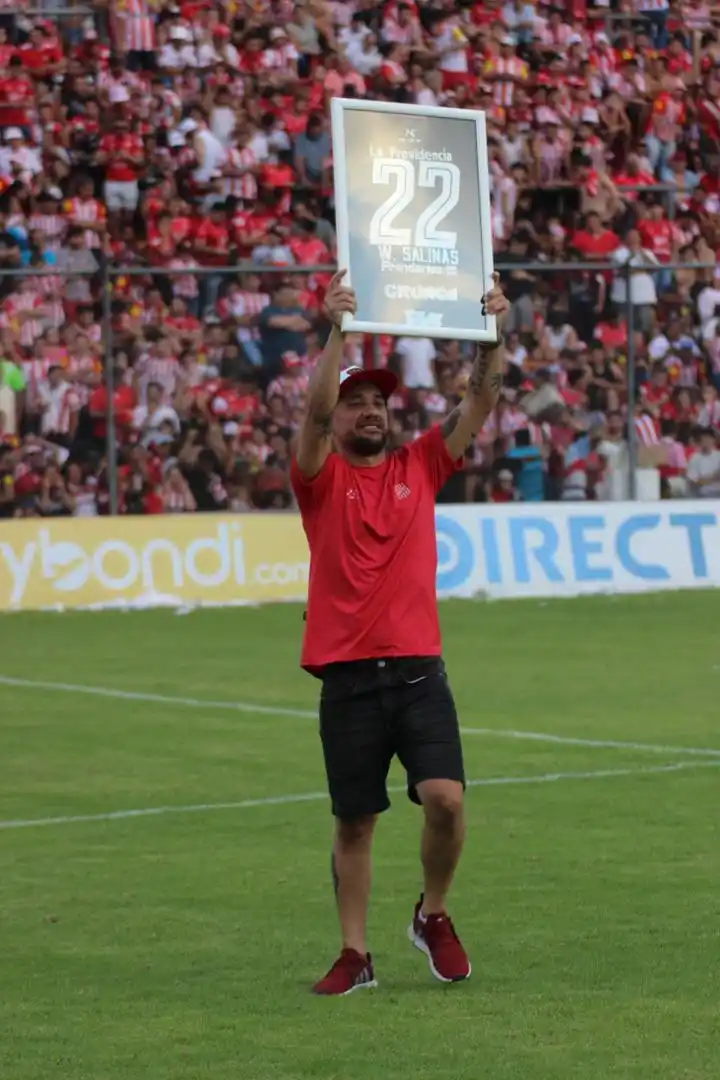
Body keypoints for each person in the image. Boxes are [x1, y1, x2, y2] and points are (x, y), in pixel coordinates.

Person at [290, 270, 509, 996]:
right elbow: (314, 420)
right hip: (349, 678)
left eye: (379, 401)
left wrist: (491, 333)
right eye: (357, 403)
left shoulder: (420, 462)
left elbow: (481, 399)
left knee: (445, 799)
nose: (370, 412)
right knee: (354, 823)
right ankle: (355, 955)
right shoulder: (318, 479)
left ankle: (432, 914)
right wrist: (336, 333)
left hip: (418, 672)